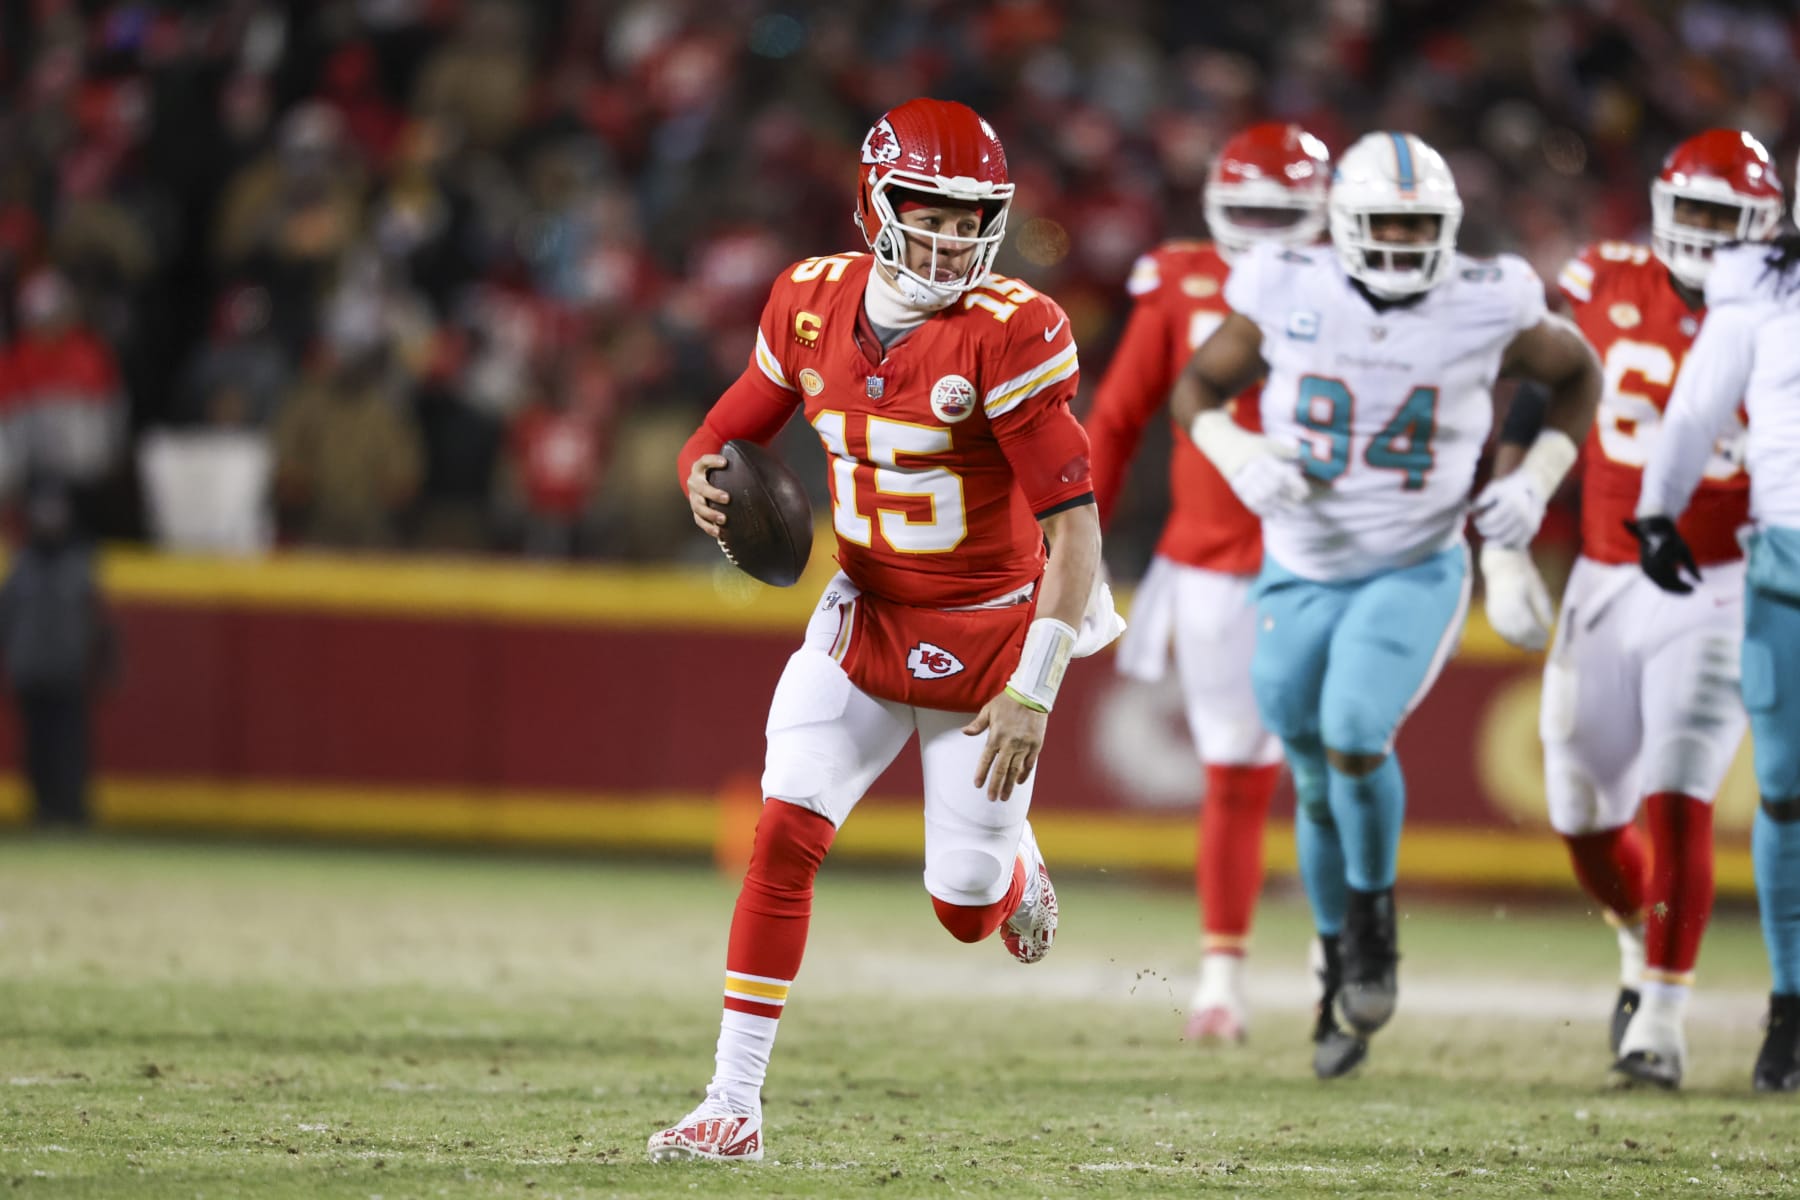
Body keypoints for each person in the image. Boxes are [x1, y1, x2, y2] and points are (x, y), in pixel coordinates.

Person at [648, 98, 1118, 1162]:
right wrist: (705, 488)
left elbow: (1077, 535)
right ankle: (732, 1104)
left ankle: (1012, 870)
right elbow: (718, 438)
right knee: (783, 834)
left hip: (995, 631)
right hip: (865, 614)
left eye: (971, 216)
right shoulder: (808, 302)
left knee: (961, 907)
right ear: (875, 198)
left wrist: (1037, 686)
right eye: (927, 209)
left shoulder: (1014, 330)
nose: (952, 236)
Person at [1168, 131, 1601, 1079]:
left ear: (1448, 228)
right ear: (1345, 224)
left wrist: (1534, 480)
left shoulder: (1488, 299)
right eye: (1386, 223)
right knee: (1312, 773)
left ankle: (1373, 923)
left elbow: (1575, 375)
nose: (1404, 241)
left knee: (1355, 729)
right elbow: (1197, 385)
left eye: (1420, 225)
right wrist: (1236, 452)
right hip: (1296, 566)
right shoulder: (1289, 284)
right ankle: (1337, 973)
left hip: (1414, 562)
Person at [1496, 129, 1783, 1089]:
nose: (1701, 233)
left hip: (1721, 579)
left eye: (1722, 216)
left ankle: (1660, 1018)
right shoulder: (1603, 279)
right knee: (1579, 807)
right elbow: (1539, 394)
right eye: (1690, 211)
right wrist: (1514, 516)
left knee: (1678, 792)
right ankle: (1638, 947)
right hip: (1604, 573)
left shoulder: (1779, 312)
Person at [1085, 122, 1330, 1045]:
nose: (1265, 231)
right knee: (1235, 768)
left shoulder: (1358, 282)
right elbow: (1116, 417)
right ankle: (1223, 975)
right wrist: (1082, 542)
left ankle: (1335, 955)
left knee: (1333, 760)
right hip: (1211, 562)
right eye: (1250, 211)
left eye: (1284, 212)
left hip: (1327, 554)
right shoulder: (1183, 279)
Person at [1636, 204, 1800, 1094]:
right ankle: (1793, 1005)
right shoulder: (1761, 289)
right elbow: (1697, 408)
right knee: (1785, 794)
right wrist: (1658, 508)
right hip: (1788, 568)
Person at [0, 481, 119, 827]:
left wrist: (106, 666)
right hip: (30, 670)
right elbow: (6, 618)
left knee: (71, 746)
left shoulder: (81, 563)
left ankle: (72, 810)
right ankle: (42, 810)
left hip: (69, 672)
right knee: (36, 747)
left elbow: (102, 622)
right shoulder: (22, 563)